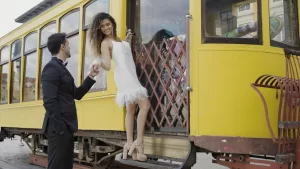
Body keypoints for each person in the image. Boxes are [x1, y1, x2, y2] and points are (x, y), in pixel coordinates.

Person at [88, 12, 150, 162]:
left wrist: (126, 40)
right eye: (102, 26)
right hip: (124, 77)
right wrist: (98, 62)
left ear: (113, 24)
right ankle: (139, 143)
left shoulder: (117, 40)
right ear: (99, 29)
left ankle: (129, 145)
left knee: (131, 109)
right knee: (145, 105)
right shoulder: (105, 43)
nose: (106, 27)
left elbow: (122, 51)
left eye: (108, 24)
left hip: (130, 74)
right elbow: (109, 66)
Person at [41, 32, 100, 169]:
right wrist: (61, 129)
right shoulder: (51, 68)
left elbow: (76, 94)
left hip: (66, 128)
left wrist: (91, 76)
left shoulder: (60, 67)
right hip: (59, 128)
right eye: (68, 44)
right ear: (62, 47)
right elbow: (49, 102)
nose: (70, 47)